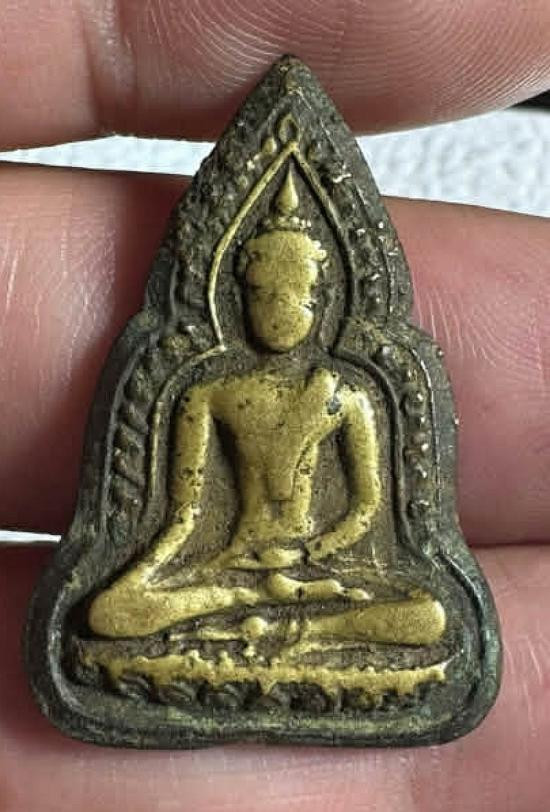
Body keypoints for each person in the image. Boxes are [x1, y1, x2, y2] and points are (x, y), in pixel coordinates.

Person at [1, 2, 549, 810]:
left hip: (324, 580)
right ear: (240, 296)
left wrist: (312, 559)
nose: (277, 311)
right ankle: (248, 620)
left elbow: (367, 514)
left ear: (322, 301)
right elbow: (185, 519)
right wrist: (203, 573)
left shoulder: (348, 393)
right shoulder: (210, 391)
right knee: (112, 613)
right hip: (229, 574)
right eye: (261, 295)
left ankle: (277, 631)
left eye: (293, 297)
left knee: (427, 618)